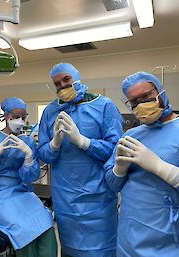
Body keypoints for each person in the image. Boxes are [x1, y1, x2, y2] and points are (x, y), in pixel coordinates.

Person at [38, 63, 124, 257]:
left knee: (102, 249)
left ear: (77, 78)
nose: (62, 86)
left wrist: (84, 142)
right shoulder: (50, 112)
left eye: (66, 79)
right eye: (57, 83)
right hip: (65, 197)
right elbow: (43, 154)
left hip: (99, 197)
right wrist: (54, 144)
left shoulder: (104, 106)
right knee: (70, 248)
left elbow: (115, 151)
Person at [0, 97, 57, 257]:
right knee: (23, 228)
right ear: (5, 116)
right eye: (15, 117)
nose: (20, 121)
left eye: (23, 117)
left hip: (20, 192)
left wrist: (29, 157)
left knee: (46, 220)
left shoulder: (27, 142)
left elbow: (31, 176)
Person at [105, 72, 179, 257]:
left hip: (168, 234)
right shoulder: (130, 136)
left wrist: (161, 168)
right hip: (129, 235)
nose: (141, 105)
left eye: (146, 97)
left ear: (160, 92)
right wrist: (119, 170)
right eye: (134, 102)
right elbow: (112, 185)